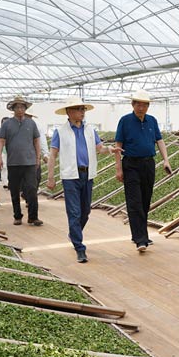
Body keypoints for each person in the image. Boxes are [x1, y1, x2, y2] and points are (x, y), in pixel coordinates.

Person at [47, 98, 121, 263]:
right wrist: (50, 177)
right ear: (69, 112)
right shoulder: (60, 132)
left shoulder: (90, 130)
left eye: (83, 109)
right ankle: (79, 248)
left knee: (85, 211)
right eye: (78, 109)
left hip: (87, 175)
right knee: (74, 212)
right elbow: (52, 155)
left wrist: (110, 149)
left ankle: (74, 234)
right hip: (70, 177)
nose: (82, 112)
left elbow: (99, 148)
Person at [114, 89, 171, 252]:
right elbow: (118, 145)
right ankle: (140, 239)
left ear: (148, 106)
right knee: (135, 201)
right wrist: (118, 168)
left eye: (145, 105)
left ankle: (140, 235)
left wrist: (166, 160)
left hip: (148, 164)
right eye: (138, 105)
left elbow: (159, 141)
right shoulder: (125, 121)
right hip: (131, 164)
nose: (141, 108)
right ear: (133, 105)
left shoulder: (151, 121)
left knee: (145, 200)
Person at [0, 96, 42, 226]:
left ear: (25, 109)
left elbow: (36, 141)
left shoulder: (31, 123)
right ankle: (17, 216)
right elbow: (1, 141)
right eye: (17, 107)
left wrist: (37, 157)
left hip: (30, 162)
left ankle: (33, 217)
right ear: (13, 109)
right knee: (14, 190)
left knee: (32, 189)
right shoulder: (7, 124)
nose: (20, 109)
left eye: (22, 107)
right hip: (13, 162)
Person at [23, 107, 49, 191]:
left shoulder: (37, 126)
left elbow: (42, 140)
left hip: (34, 155)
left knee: (37, 177)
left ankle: (30, 194)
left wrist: (45, 154)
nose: (27, 117)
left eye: (29, 116)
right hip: (21, 156)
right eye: (26, 115)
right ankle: (26, 194)